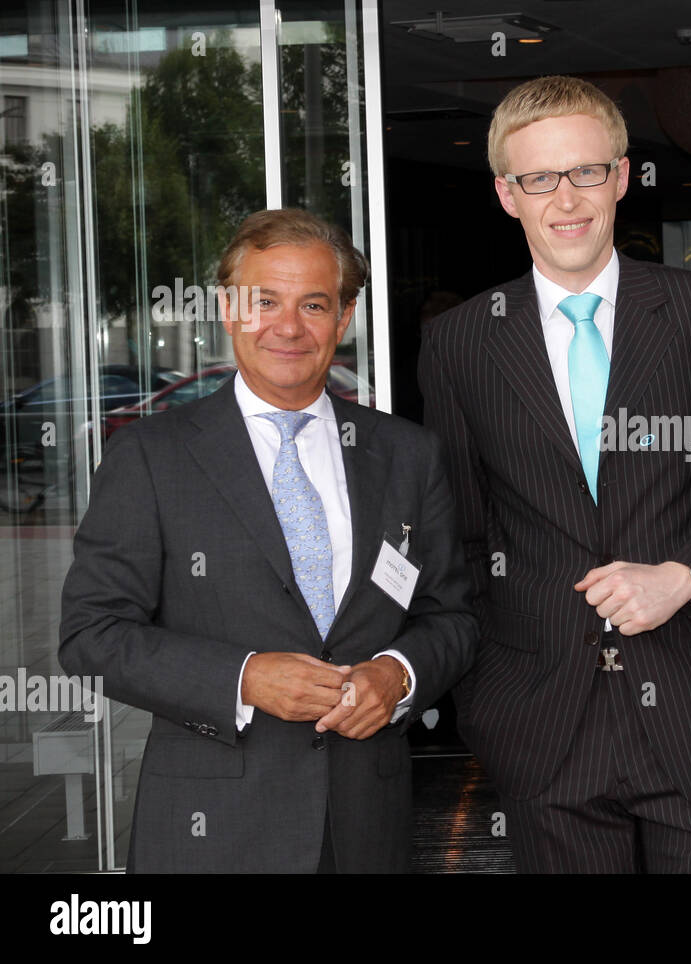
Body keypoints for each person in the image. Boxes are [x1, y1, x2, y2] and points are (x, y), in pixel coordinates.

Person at [420, 75, 691, 873]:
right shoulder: (460, 343)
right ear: (506, 194)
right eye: (539, 178)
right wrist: (487, 707)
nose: (567, 198)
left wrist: (685, 575)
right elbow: (460, 533)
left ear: (622, 177)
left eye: (587, 171)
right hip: (543, 728)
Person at [59, 208, 476, 873]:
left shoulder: (406, 454)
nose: (287, 326)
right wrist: (245, 678)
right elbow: (92, 635)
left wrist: (398, 675)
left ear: (343, 319)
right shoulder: (151, 455)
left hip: (366, 826)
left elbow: (449, 615)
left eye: (314, 304)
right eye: (264, 302)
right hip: (212, 834)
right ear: (228, 310)